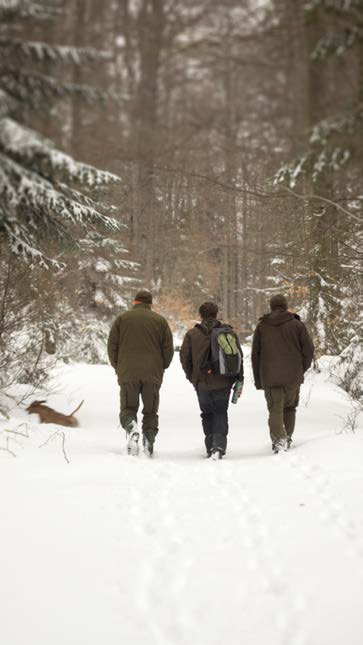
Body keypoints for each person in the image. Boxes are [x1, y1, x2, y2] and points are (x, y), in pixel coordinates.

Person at [107, 289, 174, 457]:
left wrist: (118, 366)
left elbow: (112, 346)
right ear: (150, 304)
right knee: (150, 410)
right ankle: (149, 439)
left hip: (128, 372)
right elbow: (168, 349)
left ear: (135, 302)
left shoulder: (122, 319)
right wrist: (162, 366)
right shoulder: (160, 321)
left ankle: (131, 427)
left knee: (129, 407)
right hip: (152, 373)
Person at [180, 302, 244, 460]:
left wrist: (192, 378)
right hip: (223, 381)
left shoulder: (192, 334)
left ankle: (210, 446)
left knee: (207, 414)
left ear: (200, 315)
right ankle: (219, 446)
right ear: (217, 314)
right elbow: (238, 357)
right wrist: (238, 378)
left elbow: (184, 358)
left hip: (202, 382)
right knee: (221, 412)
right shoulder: (228, 332)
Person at [251, 294, 314, 453]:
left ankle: (279, 441)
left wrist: (259, 379)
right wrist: (301, 369)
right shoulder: (297, 325)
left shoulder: (262, 326)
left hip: (270, 377)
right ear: (286, 306)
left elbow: (255, 355)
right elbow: (308, 350)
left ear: (271, 307)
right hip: (292, 376)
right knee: (290, 408)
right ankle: (287, 439)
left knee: (275, 410)